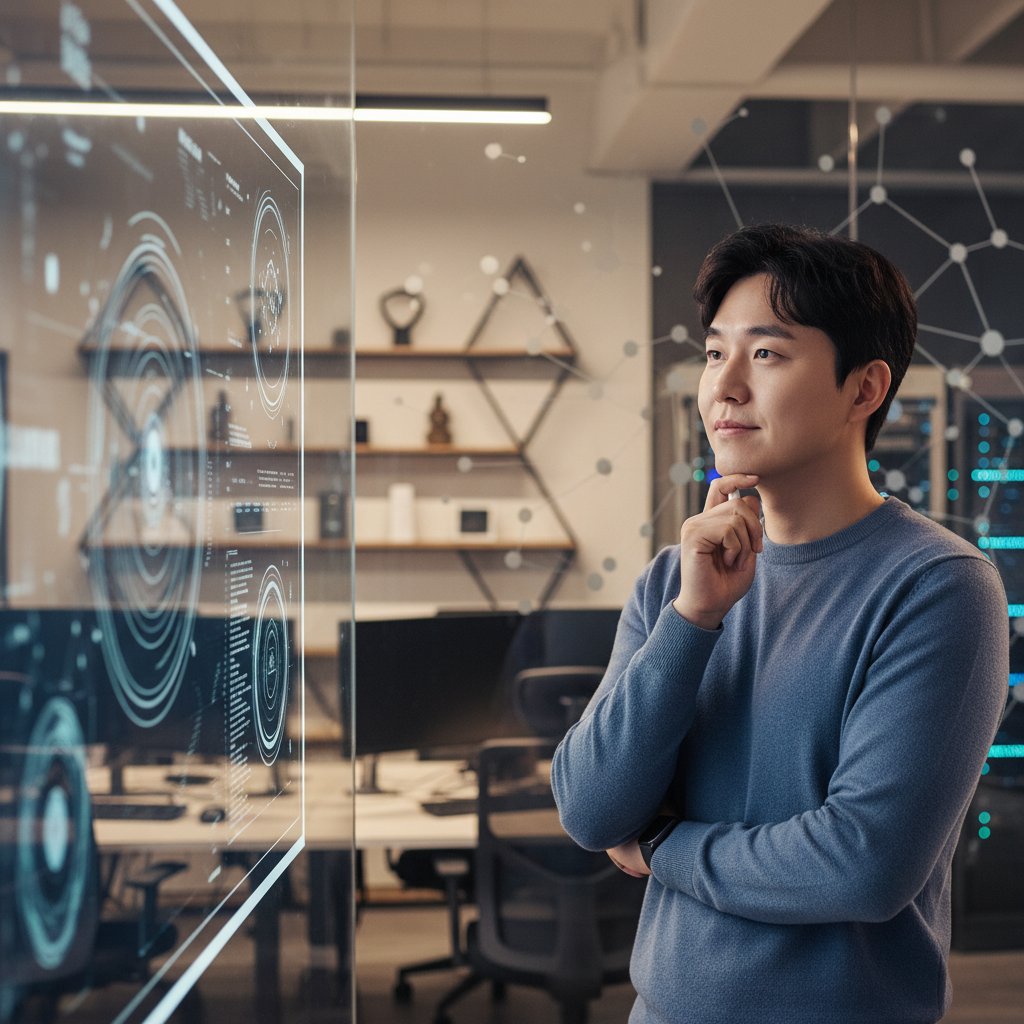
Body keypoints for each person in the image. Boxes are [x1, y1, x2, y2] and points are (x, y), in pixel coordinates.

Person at [551, 224, 1008, 1023]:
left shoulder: (939, 588)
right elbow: (591, 811)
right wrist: (693, 619)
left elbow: (862, 863)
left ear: (863, 390)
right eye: (713, 352)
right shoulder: (676, 580)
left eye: (765, 354)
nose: (723, 386)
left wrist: (661, 846)